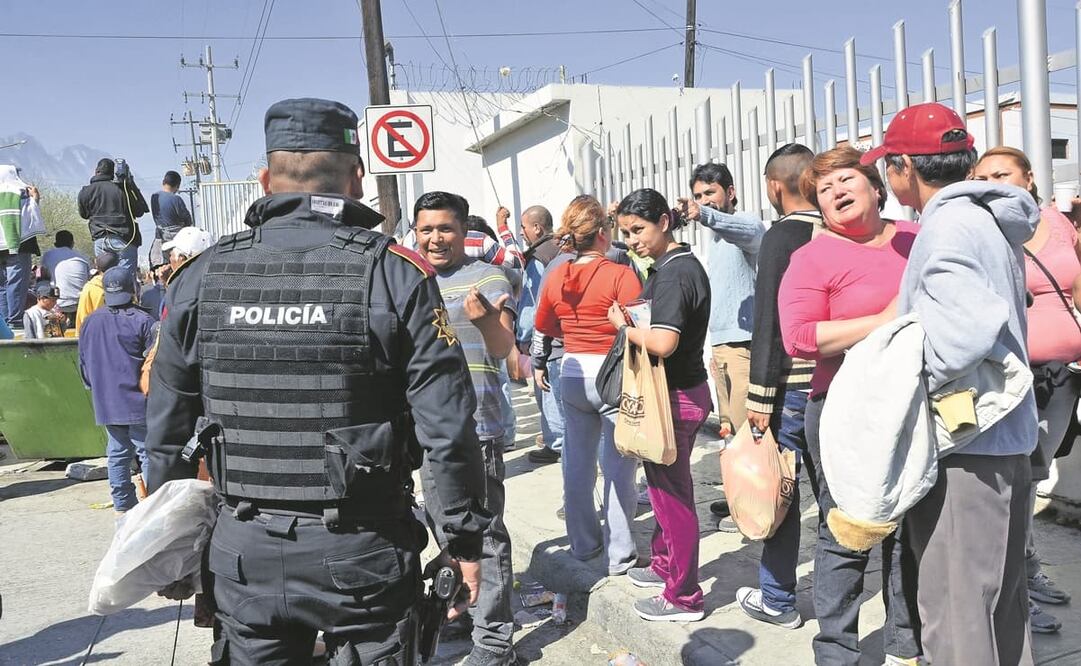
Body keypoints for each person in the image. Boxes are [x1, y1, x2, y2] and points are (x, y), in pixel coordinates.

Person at [144, 98, 492, 665]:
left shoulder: (200, 277)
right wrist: (463, 541)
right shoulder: (396, 273)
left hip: (243, 554)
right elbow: (447, 426)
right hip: (363, 554)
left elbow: (165, 430)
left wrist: (174, 557)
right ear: (357, 176)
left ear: (265, 180)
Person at [871, 102, 1038, 665]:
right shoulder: (988, 218)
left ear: (904, 168)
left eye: (887, 167)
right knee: (998, 606)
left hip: (967, 446)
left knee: (955, 610)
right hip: (1006, 436)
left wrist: (905, 375)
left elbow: (965, 333)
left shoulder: (945, 226)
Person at [778, 145, 922, 665]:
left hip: (915, 406)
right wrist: (883, 320)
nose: (836, 191)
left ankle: (907, 644)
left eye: (846, 180)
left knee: (910, 528)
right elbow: (798, 336)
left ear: (876, 187)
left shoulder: (917, 240)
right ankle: (836, 651)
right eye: (824, 188)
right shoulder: (812, 257)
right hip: (843, 410)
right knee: (847, 531)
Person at [973, 146, 1079, 635]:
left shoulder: (1060, 223)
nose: (997, 182)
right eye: (985, 176)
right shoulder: (984, 231)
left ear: (1029, 178)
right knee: (1011, 486)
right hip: (1010, 377)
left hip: (1063, 374)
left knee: (1033, 479)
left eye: (1005, 173)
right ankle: (1013, 592)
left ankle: (1027, 570)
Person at [414, 191, 518, 666]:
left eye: (445, 228)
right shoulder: (409, 280)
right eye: (427, 229)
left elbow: (503, 348)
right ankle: (465, 612)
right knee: (445, 532)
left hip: (476, 426)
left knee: (486, 535)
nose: (436, 238)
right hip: (426, 431)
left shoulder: (488, 277)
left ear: (464, 232)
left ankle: (495, 642)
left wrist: (485, 321)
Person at [610, 189, 711, 623]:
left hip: (674, 397)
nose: (632, 240)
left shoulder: (675, 274)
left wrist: (623, 328)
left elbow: (664, 342)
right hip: (676, 394)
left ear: (665, 222)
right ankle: (666, 567)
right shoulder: (671, 267)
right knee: (666, 492)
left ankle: (684, 597)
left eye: (638, 230)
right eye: (626, 233)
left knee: (672, 500)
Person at [733, 143, 821, 630]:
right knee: (834, 502)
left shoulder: (781, 236)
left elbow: (768, 321)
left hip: (789, 388)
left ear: (774, 186)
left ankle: (778, 599)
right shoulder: (840, 231)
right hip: (835, 385)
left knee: (779, 495)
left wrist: (759, 397)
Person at [534, 195, 642, 577]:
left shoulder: (556, 276)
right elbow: (638, 324)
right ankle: (620, 555)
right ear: (602, 234)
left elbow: (544, 325)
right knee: (619, 470)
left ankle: (583, 545)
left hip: (572, 371)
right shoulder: (620, 274)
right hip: (612, 374)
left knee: (576, 465)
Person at [685, 163, 765, 442]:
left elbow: (751, 232)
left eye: (710, 192)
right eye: (698, 196)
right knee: (732, 437)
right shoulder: (717, 238)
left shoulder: (745, 223)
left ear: (730, 192)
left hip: (744, 348)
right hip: (722, 350)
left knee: (748, 440)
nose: (704, 200)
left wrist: (705, 214)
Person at [78, 267, 156, 514]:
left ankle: (123, 503)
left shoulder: (91, 321)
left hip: (106, 399)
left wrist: (95, 387)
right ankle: (154, 504)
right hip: (139, 400)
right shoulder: (144, 321)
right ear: (132, 290)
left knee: (118, 452)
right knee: (147, 452)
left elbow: (83, 363)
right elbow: (156, 363)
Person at [518, 205, 565, 464]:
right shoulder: (562, 248)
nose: (522, 233)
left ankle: (555, 443)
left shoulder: (538, 258)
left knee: (545, 389)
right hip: (566, 335)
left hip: (547, 337)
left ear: (537, 228)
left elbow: (532, 301)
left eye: (524, 227)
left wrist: (524, 338)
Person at [77, 158, 148, 280]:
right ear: (112, 173)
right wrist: (130, 184)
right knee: (125, 281)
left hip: (100, 240)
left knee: (106, 280)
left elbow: (84, 214)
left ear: (96, 171)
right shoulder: (123, 189)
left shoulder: (86, 191)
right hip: (124, 239)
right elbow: (140, 210)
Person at [0, 166, 45, 330]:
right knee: (17, 284)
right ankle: (15, 321)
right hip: (19, 245)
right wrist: (35, 199)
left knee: (2, 287)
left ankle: (4, 324)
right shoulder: (20, 191)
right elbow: (30, 217)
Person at [41, 230, 91, 327]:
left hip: (57, 302)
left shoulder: (47, 255)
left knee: (42, 283)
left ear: (55, 244)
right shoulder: (82, 257)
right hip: (79, 302)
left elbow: (44, 276)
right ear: (72, 244)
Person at [150, 170, 193, 267]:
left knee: (166, 263)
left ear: (163, 182)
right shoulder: (176, 199)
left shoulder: (154, 197)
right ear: (177, 185)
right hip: (177, 236)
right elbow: (187, 219)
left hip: (161, 236)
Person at [75, 251, 119, 333]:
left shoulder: (89, 288)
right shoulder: (122, 286)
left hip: (95, 337)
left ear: (97, 268)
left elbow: (82, 318)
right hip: (117, 336)